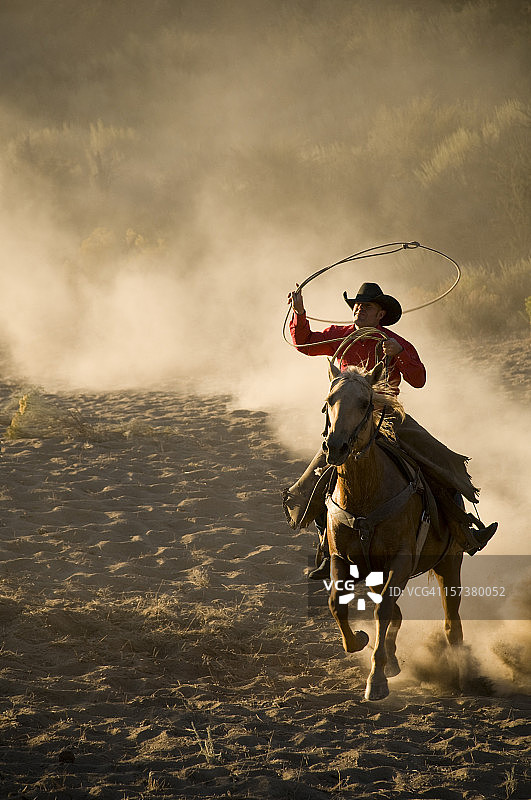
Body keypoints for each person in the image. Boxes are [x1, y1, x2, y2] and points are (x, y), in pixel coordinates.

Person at [283, 282, 497, 579]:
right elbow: (303, 341)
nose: (359, 309)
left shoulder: (396, 342)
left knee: (439, 458)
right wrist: (299, 311)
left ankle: (463, 530)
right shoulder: (340, 336)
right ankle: (326, 546)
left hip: (389, 416)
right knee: (315, 477)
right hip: (346, 419)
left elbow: (419, 378)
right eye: (357, 305)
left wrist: (399, 355)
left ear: (380, 313)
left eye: (366, 306)